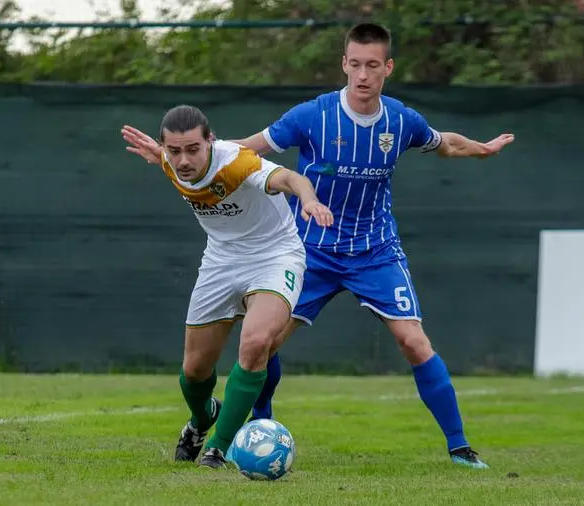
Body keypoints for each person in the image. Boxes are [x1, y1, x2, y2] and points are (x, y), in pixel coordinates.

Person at [229, 23, 514, 469]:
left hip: (375, 249)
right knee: (263, 343)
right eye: (355, 64)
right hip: (311, 250)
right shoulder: (312, 116)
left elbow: (446, 144)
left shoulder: (401, 120)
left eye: (373, 66)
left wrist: (483, 149)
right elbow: (248, 149)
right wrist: (190, 157)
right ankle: (261, 423)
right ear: (344, 64)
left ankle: (460, 448)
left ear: (388, 68)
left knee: (414, 342)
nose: (363, 75)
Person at [121, 105, 334, 469]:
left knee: (254, 344)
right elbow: (173, 160)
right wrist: (161, 157)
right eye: (174, 151)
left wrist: (309, 199)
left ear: (211, 141)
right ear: (164, 147)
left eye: (193, 149)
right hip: (220, 261)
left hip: (274, 256)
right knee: (193, 372)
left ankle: (218, 449)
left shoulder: (237, 163)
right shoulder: (171, 162)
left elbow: (288, 178)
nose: (183, 159)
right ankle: (203, 419)